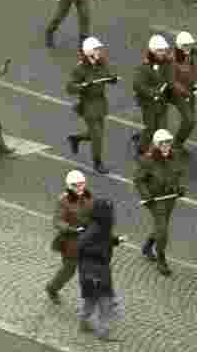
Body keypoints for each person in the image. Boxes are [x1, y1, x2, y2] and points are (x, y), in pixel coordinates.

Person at [133, 129, 184, 276]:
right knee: (163, 230)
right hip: (155, 200)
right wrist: (146, 195)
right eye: (163, 143)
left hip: (169, 199)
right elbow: (138, 180)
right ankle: (161, 258)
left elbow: (177, 174)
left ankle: (147, 246)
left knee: (161, 226)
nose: (167, 145)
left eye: (168, 142)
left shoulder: (174, 156)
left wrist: (179, 188)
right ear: (156, 144)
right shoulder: (148, 160)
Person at [76, 199, 125, 340]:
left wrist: (116, 241)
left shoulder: (98, 227)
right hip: (96, 272)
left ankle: (84, 323)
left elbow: (104, 240)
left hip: (92, 271)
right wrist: (99, 253)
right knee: (105, 302)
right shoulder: (96, 229)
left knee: (90, 300)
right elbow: (82, 245)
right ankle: (103, 332)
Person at [65, 36, 116, 174]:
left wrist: (112, 79)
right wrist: (82, 86)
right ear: (88, 51)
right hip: (88, 105)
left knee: (96, 133)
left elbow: (109, 74)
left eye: (99, 49)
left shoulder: (102, 63)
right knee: (97, 136)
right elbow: (69, 87)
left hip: (100, 103)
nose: (99, 51)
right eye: (96, 49)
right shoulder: (80, 69)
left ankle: (76, 138)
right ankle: (97, 162)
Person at [45, 170, 94, 303]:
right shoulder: (64, 201)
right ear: (69, 186)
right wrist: (71, 229)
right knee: (69, 270)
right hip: (70, 241)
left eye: (82, 184)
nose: (80, 188)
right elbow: (57, 220)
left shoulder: (88, 197)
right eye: (76, 185)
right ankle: (52, 288)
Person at [131, 34, 173, 155]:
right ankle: (141, 148)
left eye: (164, 50)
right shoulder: (144, 67)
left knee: (162, 129)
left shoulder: (167, 62)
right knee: (150, 128)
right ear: (153, 51)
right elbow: (138, 85)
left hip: (162, 102)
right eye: (160, 50)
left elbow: (170, 76)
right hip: (149, 104)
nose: (163, 52)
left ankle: (158, 153)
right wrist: (153, 92)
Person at [168, 31, 197, 152]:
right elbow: (171, 81)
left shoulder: (191, 55)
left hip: (189, 91)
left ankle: (178, 143)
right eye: (185, 45)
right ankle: (176, 144)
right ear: (179, 45)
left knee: (191, 121)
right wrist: (184, 92)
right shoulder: (172, 59)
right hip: (178, 94)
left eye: (189, 45)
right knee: (189, 120)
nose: (188, 48)